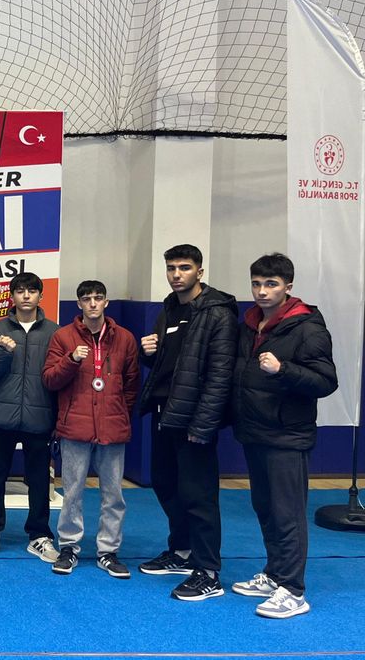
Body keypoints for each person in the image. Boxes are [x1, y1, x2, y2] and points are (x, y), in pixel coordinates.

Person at [231, 253, 337, 618]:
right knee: (265, 508)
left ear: (288, 287)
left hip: (288, 436)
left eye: (271, 284)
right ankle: (275, 574)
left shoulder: (308, 327)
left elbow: (326, 381)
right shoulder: (251, 323)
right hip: (254, 431)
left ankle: (293, 590)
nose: (262, 291)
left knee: (287, 513)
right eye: (257, 284)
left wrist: (284, 369)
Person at [135, 244, 238, 601]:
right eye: (171, 268)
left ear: (200, 271)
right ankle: (181, 551)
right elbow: (170, 365)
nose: (176, 274)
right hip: (165, 412)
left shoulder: (218, 313)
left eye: (184, 267)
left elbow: (220, 375)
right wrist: (148, 354)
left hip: (195, 418)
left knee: (199, 495)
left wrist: (204, 425)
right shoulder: (169, 308)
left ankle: (208, 572)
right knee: (165, 484)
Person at [42, 280, 140, 578]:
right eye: (87, 299)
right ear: (79, 304)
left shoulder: (125, 338)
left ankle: (108, 551)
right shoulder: (63, 337)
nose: (93, 303)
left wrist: (119, 414)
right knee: (72, 492)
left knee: (114, 494)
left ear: (106, 302)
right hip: (75, 427)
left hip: (112, 426)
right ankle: (69, 547)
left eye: (98, 298)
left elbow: (132, 384)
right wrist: (71, 360)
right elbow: (50, 380)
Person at [0, 272, 60, 563]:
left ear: (40, 296)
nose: (25, 296)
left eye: (31, 291)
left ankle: (39, 535)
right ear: (12, 296)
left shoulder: (54, 332)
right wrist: (1, 352)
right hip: (2, 416)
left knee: (39, 480)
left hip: (39, 415)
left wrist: (57, 418)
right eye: (20, 291)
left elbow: (59, 378)